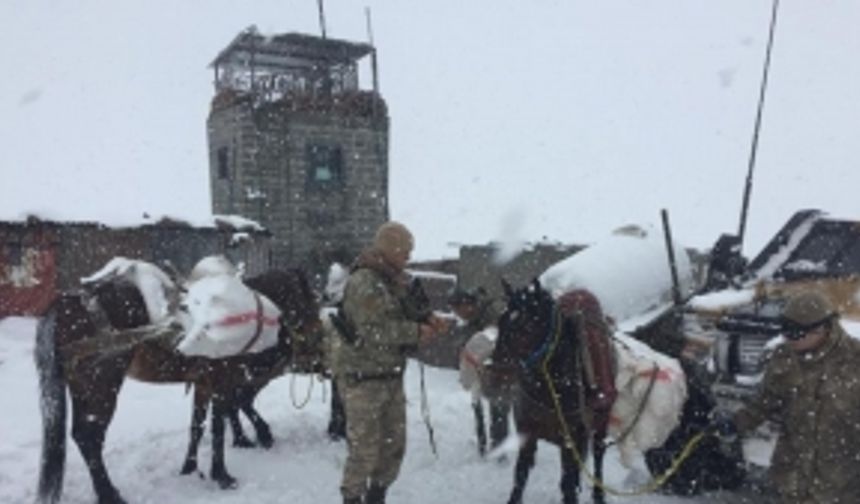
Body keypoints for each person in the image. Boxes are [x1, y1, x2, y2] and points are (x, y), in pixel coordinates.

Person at [331, 221, 448, 504]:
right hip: (364, 380)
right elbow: (372, 330)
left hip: (390, 376)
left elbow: (405, 310)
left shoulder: (392, 280)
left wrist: (427, 318)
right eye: (404, 251)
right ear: (388, 249)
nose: (408, 257)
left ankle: (377, 497)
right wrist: (416, 332)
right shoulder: (365, 282)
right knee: (364, 451)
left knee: (393, 448)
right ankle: (353, 498)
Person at [713, 290, 860, 503]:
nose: (789, 340)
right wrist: (736, 423)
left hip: (842, 483)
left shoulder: (855, 361)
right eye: (785, 332)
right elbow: (765, 403)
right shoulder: (784, 358)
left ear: (822, 329)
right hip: (793, 478)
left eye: (796, 334)